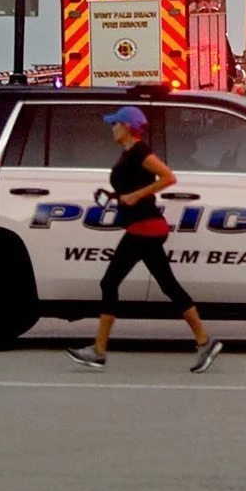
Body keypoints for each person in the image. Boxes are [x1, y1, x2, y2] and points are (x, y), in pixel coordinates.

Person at [67, 106, 223, 373]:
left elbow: (169, 177)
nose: (112, 128)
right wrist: (113, 197)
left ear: (127, 127)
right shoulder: (128, 154)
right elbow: (130, 189)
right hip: (144, 227)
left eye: (115, 124)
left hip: (145, 227)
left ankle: (99, 351)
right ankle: (205, 342)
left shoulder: (140, 151)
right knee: (168, 285)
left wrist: (136, 195)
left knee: (110, 281)